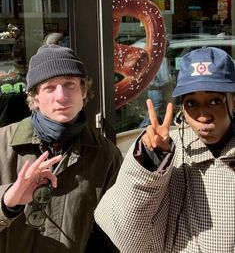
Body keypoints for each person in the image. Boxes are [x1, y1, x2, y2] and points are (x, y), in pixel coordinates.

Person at [95, 46, 235, 252]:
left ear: (233, 102)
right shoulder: (168, 149)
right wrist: (152, 159)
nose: (203, 115)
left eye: (215, 101)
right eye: (191, 103)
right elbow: (124, 232)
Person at [0, 44, 123, 253]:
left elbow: (113, 234)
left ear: (83, 90)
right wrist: (7, 204)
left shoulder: (105, 155)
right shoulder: (3, 144)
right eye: (49, 87)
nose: (62, 96)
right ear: (35, 96)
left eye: (70, 84)